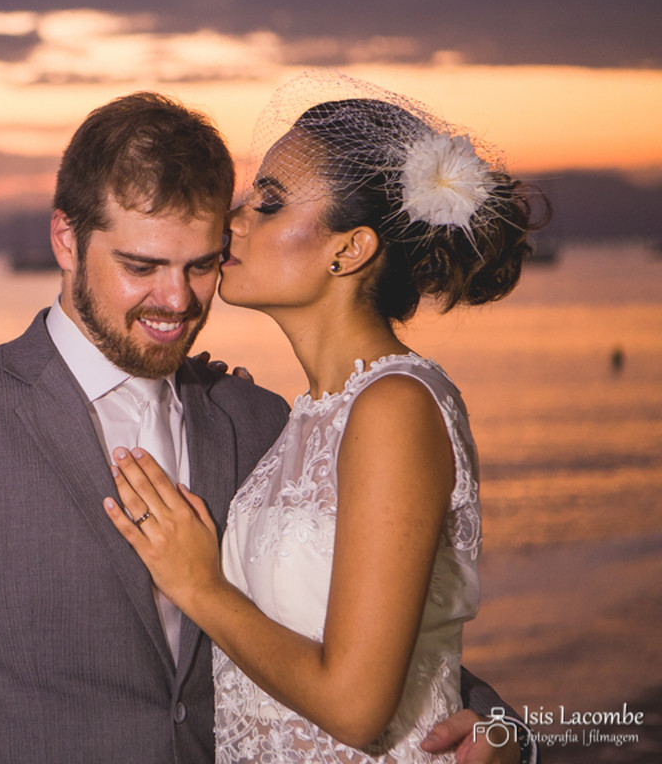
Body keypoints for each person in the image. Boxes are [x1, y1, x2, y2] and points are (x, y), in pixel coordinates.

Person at [0, 90, 529, 763]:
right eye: (141, 265)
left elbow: (361, 634)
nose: (175, 299)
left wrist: (502, 725)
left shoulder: (258, 421)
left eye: (200, 264)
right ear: (66, 239)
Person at [103, 73, 546, 762]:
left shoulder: (396, 406)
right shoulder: (303, 416)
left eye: (269, 205)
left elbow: (356, 707)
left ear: (350, 248)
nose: (234, 221)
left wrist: (199, 585)